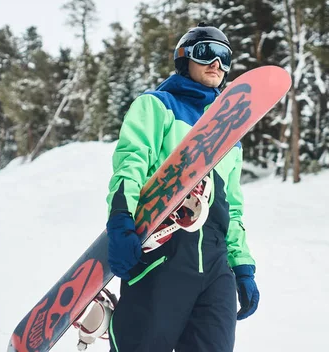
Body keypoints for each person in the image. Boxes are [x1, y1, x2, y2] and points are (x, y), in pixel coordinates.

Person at [105, 22, 260, 352]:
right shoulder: (157, 106)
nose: (216, 64)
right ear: (184, 58)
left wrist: (242, 267)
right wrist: (120, 221)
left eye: (224, 57)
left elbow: (233, 206)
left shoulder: (230, 135)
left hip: (216, 267)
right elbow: (130, 165)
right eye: (206, 53)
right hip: (163, 255)